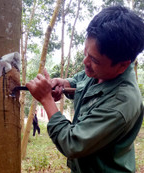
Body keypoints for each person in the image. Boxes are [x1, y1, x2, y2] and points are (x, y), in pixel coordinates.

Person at [26, 5, 144, 173]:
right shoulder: (103, 72)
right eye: (85, 53)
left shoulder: (121, 103)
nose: (85, 62)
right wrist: (65, 83)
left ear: (122, 65)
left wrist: (46, 99)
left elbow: (72, 144)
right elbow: (83, 79)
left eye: (94, 60)